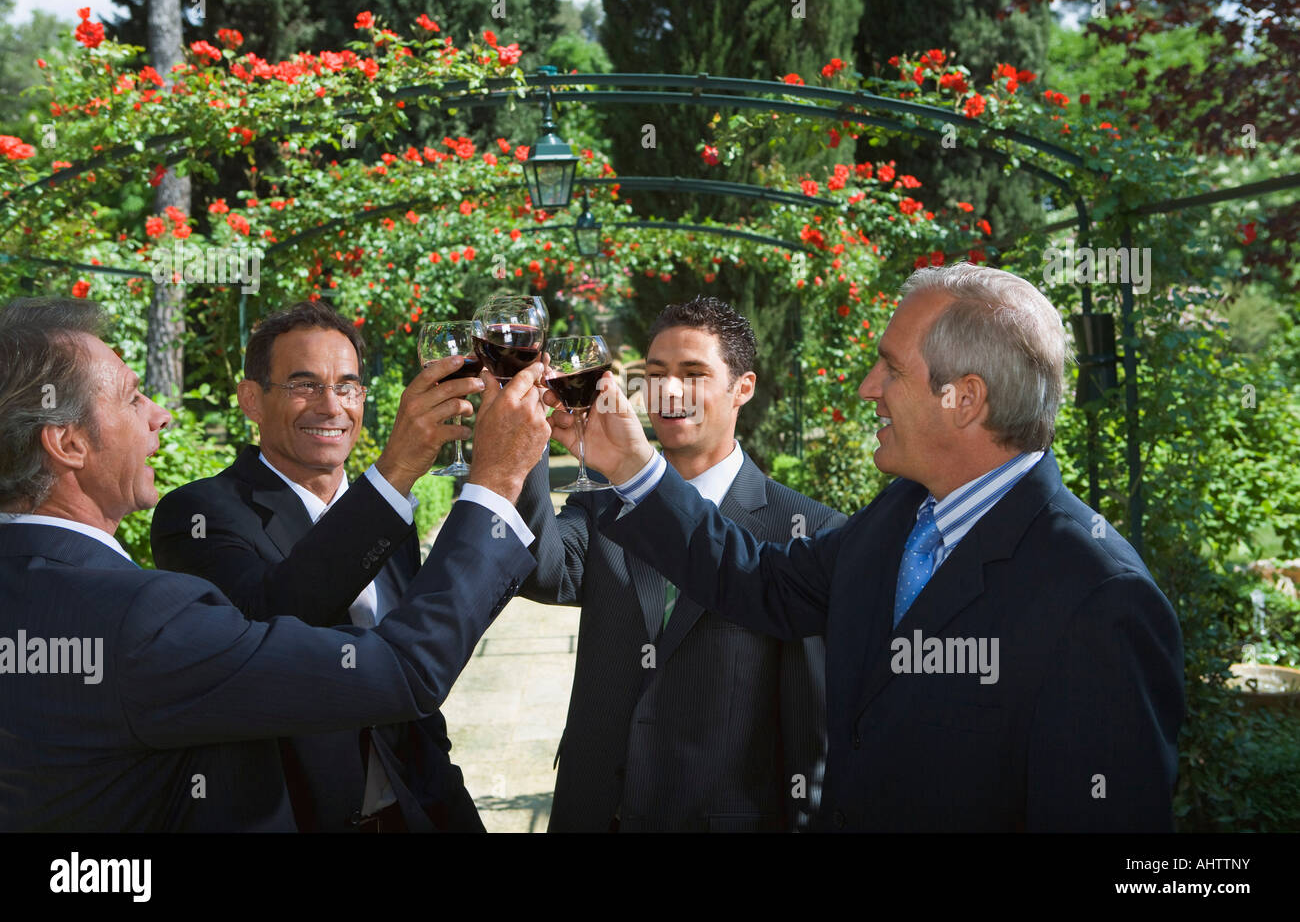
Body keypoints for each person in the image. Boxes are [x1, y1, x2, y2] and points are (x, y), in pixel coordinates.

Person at [548, 264, 1185, 832]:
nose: (867, 388)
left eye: (892, 368)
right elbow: (760, 582)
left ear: (965, 399)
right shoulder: (900, 513)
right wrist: (632, 465)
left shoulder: (1098, 596)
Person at [0, 296, 549, 831]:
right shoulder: (170, 562)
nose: (160, 415)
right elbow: (383, 658)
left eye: (347, 385)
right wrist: (492, 481)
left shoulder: (35, 583)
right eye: (131, 397)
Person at [521, 297, 844, 832]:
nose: (669, 393)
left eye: (693, 374)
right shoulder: (602, 499)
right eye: (655, 374)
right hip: (595, 810)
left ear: (743, 387)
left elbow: (810, 735)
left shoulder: (807, 531)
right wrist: (527, 438)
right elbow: (541, 568)